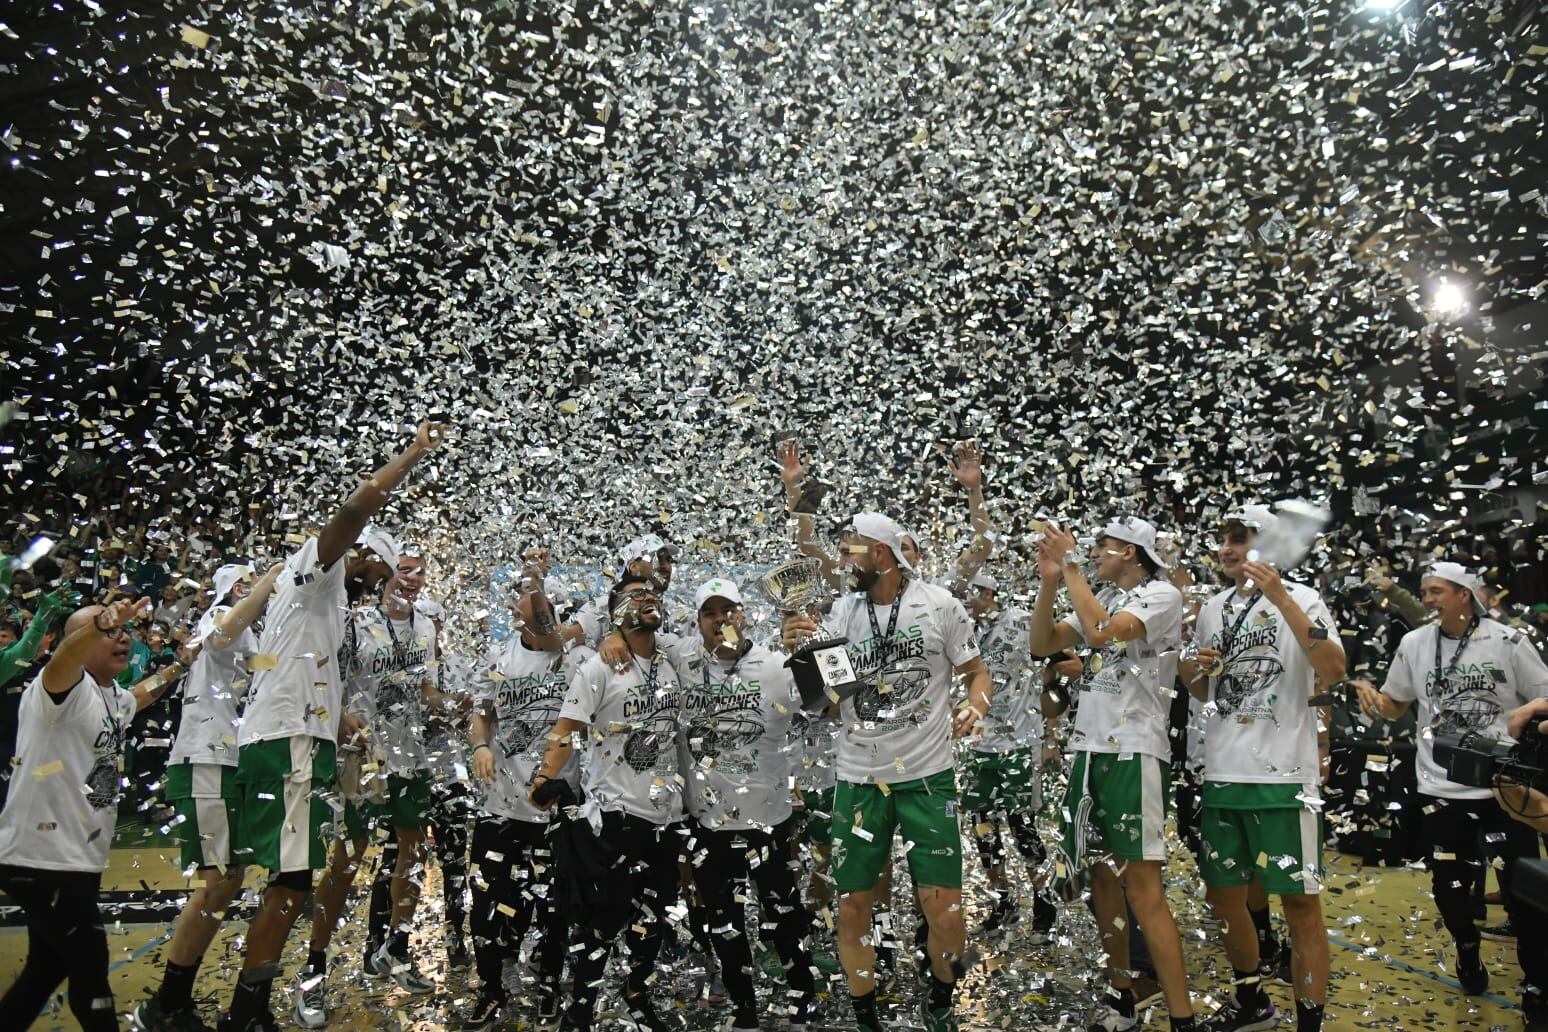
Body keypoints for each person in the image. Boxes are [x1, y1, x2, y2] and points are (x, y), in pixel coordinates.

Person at [221, 420, 444, 1032]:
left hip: (337, 744)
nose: (385, 577)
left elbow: (295, 662)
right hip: (298, 742)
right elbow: (354, 508)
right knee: (307, 874)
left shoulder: (344, 605)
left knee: (307, 874)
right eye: (381, 565)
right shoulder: (321, 570)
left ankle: (262, 1000)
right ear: (363, 553)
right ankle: (273, 997)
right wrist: (412, 455)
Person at [780, 512, 991, 1032]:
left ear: (881, 553)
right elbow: (829, 705)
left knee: (947, 918)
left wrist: (977, 707)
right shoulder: (841, 614)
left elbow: (976, 672)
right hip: (858, 779)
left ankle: (942, 997)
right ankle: (865, 1016)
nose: (844, 556)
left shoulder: (940, 605)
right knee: (852, 909)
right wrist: (802, 656)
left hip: (927, 778)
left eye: (852, 547)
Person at [1179, 506, 1346, 1032]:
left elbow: (1334, 671)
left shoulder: (1304, 597)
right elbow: (1204, 693)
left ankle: (1309, 1025)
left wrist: (1279, 598)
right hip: (1223, 773)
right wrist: (1196, 668)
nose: (1227, 548)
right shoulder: (1212, 608)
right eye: (1222, 539)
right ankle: (1254, 1006)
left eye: (1239, 538)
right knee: (1224, 901)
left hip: (1284, 779)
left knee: (1300, 907)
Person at [1355, 561, 1547, 1013]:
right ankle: (1466, 950)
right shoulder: (1413, 643)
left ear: (1465, 594)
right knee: (1450, 889)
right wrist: (1372, 699)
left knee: (1523, 892)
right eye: (1424, 591)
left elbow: (1543, 696)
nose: (1428, 599)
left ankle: (1537, 984)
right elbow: (1396, 706)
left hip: (1504, 789)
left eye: (1438, 591)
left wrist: (1526, 720)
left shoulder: (1507, 641)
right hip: (1440, 788)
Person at [1029, 517, 1197, 1032]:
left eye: (1103, 546)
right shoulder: (1099, 594)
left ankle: (1182, 1017)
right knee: (1103, 880)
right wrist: (1051, 581)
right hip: (1088, 751)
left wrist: (1074, 565)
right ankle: (1121, 999)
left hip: (1134, 754)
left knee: (1144, 888)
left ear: (1130, 551)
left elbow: (1102, 634)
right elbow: (1042, 644)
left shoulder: (1162, 594)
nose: (1095, 552)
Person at [0, 599, 191, 1030]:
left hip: (71, 861)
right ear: (78, 642)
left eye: (124, 631)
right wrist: (96, 624)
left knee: (44, 970)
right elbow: (64, 657)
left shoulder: (110, 696)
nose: (122, 636)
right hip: (42, 858)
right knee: (91, 974)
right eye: (108, 632)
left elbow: (140, 695)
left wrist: (179, 665)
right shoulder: (56, 687)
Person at [293, 547, 462, 1026]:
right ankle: (314, 972)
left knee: (414, 849)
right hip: (361, 757)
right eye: (403, 570)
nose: (411, 578)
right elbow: (325, 682)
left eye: (419, 571)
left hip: (409, 753)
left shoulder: (427, 626)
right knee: (349, 858)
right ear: (386, 577)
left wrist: (464, 704)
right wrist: (343, 717)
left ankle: (395, 946)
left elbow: (427, 696)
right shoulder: (353, 622)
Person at [133, 562, 285, 1032]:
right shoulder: (218, 616)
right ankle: (165, 1005)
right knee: (218, 882)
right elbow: (219, 638)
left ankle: (178, 1001)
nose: (255, 585)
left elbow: (269, 675)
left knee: (230, 880)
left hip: (236, 763)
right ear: (229, 589)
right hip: (206, 759)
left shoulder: (255, 638)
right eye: (245, 581)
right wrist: (264, 586)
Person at [533, 574, 688, 1031]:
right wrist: (543, 777)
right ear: (616, 611)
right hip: (616, 816)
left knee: (653, 920)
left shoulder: (673, 660)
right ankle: (579, 1010)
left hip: (667, 816)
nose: (648, 598)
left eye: (652, 593)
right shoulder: (599, 668)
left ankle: (637, 994)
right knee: (602, 922)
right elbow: (568, 727)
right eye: (635, 595)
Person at [675, 578, 819, 1030]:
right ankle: (745, 1011)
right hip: (709, 826)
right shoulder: (679, 663)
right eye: (710, 613)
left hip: (768, 821)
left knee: (783, 918)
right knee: (725, 923)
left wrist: (808, 648)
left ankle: (801, 1001)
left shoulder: (776, 665)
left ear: (744, 614)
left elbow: (828, 703)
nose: (721, 621)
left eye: (729, 610)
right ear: (698, 623)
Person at [461, 576, 591, 1028]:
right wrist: (480, 746)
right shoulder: (499, 657)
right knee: (487, 903)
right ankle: (493, 987)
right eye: (530, 602)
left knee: (555, 907)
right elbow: (481, 715)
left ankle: (550, 986)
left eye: (546, 604)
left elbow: (580, 727)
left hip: (554, 805)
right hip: (500, 806)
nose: (538, 611)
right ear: (517, 609)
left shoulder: (576, 660)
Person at [961, 571, 1068, 939]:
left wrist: (1050, 730)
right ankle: (1003, 902)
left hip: (1020, 743)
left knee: (1023, 829)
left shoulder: (1021, 623)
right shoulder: (961, 628)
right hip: (978, 748)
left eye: (970, 591)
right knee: (984, 832)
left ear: (989, 591)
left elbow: (1070, 666)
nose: (963, 598)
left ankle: (1044, 903)